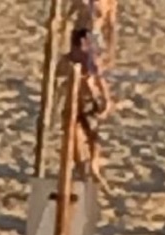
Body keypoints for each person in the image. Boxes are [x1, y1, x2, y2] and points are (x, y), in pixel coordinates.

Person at [56, 27, 113, 193]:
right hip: (71, 103)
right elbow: (58, 79)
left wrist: (106, 100)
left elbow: (100, 80)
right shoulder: (67, 61)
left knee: (94, 137)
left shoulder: (91, 60)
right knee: (72, 137)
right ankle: (81, 168)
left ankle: (93, 166)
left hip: (88, 103)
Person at [67, 0, 118, 66]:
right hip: (80, 32)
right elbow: (70, 14)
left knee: (93, 65)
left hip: (93, 34)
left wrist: (111, 51)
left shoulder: (108, 2)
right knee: (75, 63)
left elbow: (111, 26)